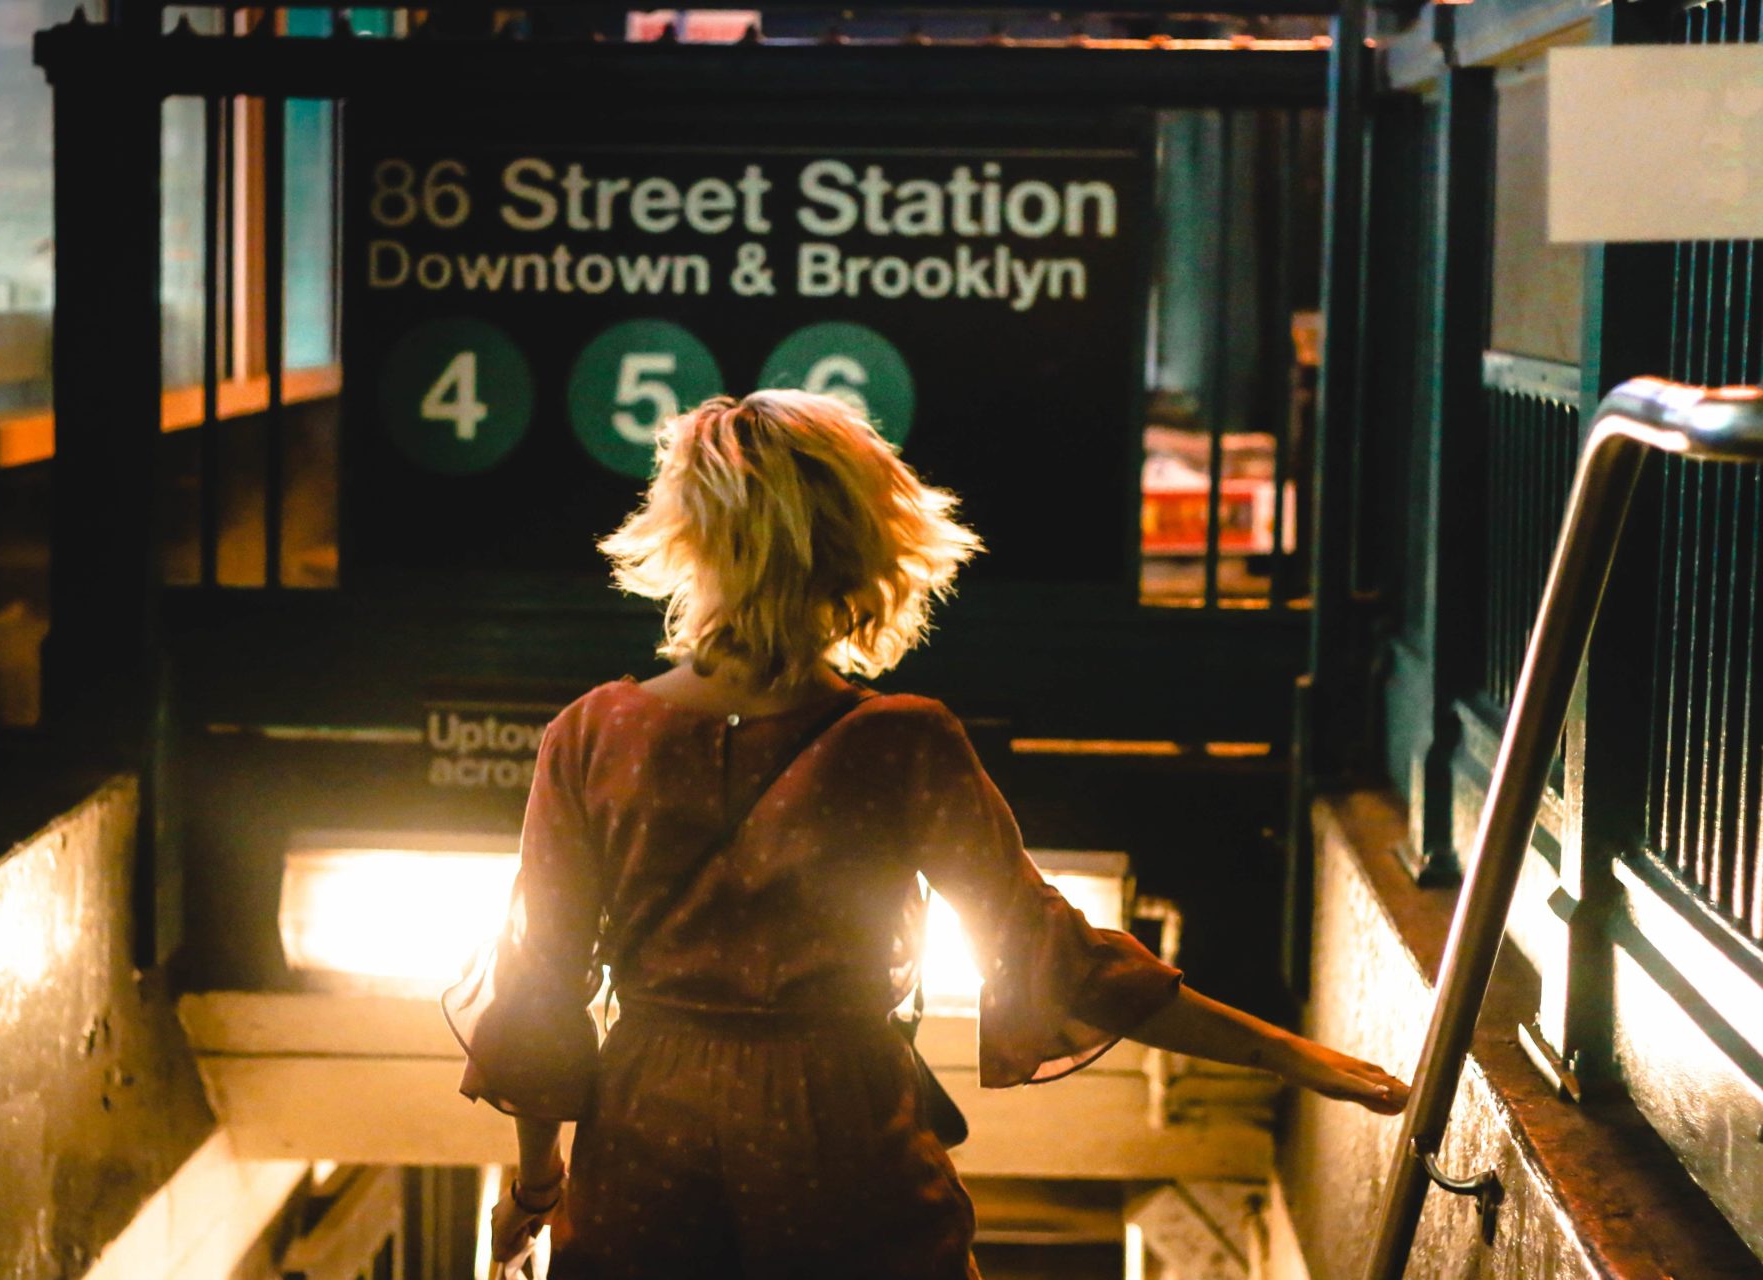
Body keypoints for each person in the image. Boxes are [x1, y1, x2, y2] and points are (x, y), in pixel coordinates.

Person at [443, 389, 1409, 1279]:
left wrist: (538, 1185)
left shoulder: (592, 733)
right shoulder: (901, 743)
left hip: (646, 1136)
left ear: (689, 542)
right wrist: (1295, 1056)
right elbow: (1058, 956)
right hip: (838, 1135)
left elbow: (543, 988)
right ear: (860, 553)